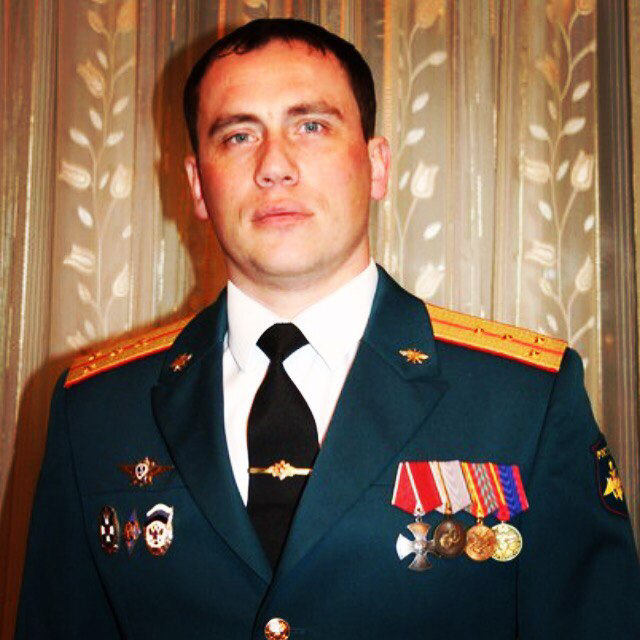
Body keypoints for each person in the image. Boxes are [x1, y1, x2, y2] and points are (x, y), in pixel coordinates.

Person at [16, 18, 640, 640]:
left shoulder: (526, 400)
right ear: (197, 185)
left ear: (376, 166)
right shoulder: (94, 410)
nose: (274, 166)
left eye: (310, 126)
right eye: (238, 136)